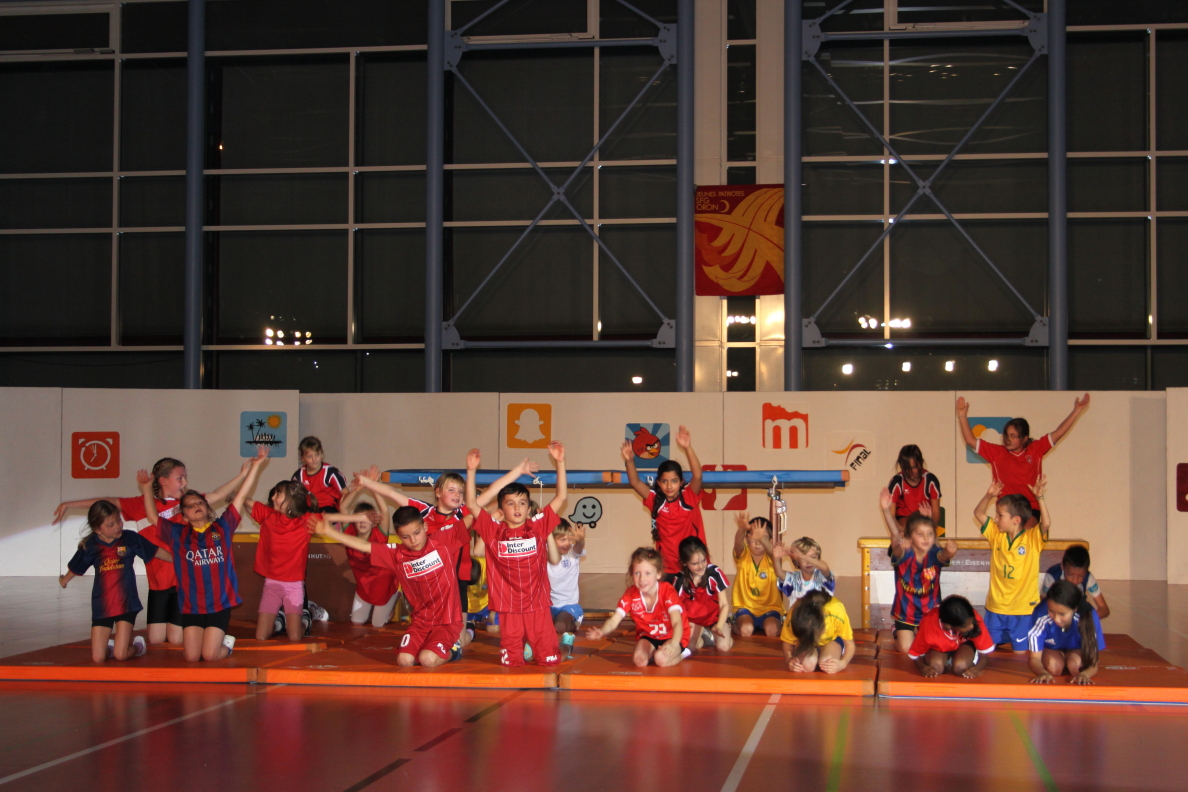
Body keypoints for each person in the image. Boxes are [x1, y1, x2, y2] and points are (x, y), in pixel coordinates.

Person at [52, 456, 253, 646]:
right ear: (163, 481)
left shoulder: (187, 505)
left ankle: (216, 640)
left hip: (181, 582)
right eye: (180, 478)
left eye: (185, 477)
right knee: (156, 639)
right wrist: (69, 504)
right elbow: (108, 501)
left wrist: (242, 475)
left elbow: (217, 494)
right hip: (157, 582)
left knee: (176, 639)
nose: (185, 482)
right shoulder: (140, 504)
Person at [143, 446, 268, 662]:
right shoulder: (178, 534)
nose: (196, 506)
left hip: (218, 604)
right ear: (184, 516)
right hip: (192, 606)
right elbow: (153, 518)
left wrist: (255, 467)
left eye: (200, 503)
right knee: (191, 657)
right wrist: (146, 488)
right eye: (190, 506)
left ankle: (225, 645)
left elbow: (240, 497)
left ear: (208, 508)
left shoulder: (223, 527)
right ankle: (210, 642)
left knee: (210, 655)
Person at [315, 505, 472, 667]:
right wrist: (329, 531)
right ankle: (431, 646)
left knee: (428, 660)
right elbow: (364, 546)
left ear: (425, 527)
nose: (413, 540)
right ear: (398, 536)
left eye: (417, 533)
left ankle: (455, 648)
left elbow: (473, 514)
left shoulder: (443, 541)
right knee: (404, 660)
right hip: (421, 622)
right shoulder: (396, 554)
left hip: (447, 622)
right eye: (405, 537)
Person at [465, 446, 567, 667]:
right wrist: (471, 470)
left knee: (549, 660)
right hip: (509, 606)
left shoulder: (537, 527)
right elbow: (472, 504)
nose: (517, 507)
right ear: (501, 510)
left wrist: (560, 462)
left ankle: (565, 646)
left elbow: (561, 496)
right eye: (510, 503)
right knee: (512, 662)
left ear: (529, 508)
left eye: (522, 503)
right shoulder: (494, 531)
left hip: (537, 604)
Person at [245, 479, 371, 641]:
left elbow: (331, 516)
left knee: (295, 637)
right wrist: (233, 495)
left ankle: (307, 617)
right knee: (261, 636)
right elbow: (247, 502)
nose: (273, 498)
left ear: (291, 500)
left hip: (293, 586)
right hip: (272, 585)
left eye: (278, 494)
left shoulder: (305, 520)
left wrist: (361, 516)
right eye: (274, 494)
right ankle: (280, 621)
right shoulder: (268, 515)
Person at [60, 494, 171, 663]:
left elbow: (155, 551)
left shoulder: (130, 538)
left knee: (121, 655)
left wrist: (178, 559)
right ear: (98, 529)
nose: (118, 526)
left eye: (119, 520)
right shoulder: (90, 545)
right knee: (98, 658)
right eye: (111, 525)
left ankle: (137, 647)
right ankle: (110, 648)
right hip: (102, 604)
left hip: (126, 603)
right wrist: (64, 580)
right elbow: (76, 567)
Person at [957, 394, 1090, 512]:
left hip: (1031, 508)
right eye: (1006, 435)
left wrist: (1077, 410)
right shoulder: (997, 452)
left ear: (1024, 438)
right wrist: (962, 414)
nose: (1008, 439)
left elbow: (1059, 433)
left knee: (1028, 529)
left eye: (1013, 436)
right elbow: (970, 440)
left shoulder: (1036, 449)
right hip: (1006, 509)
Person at [973, 475, 1050, 651]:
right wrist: (989, 495)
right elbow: (978, 513)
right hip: (996, 608)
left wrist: (1039, 498)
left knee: (1020, 654)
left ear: (1016, 520)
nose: (996, 518)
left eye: (1000, 515)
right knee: (988, 651)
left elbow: (1046, 523)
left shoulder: (1032, 539)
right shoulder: (996, 534)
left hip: (1023, 610)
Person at [621, 425, 705, 577]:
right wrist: (630, 461)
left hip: (692, 566)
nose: (669, 486)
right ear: (659, 483)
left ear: (681, 482)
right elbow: (635, 482)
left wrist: (687, 448)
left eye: (674, 481)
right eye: (665, 481)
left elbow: (698, 475)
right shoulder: (655, 500)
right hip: (667, 568)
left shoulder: (689, 497)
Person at [585, 547, 690, 667]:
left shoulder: (667, 591)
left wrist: (674, 644)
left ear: (658, 574)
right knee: (639, 661)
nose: (642, 579)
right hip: (649, 635)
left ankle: (683, 653)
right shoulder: (631, 594)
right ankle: (654, 651)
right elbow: (614, 620)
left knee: (661, 659)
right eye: (637, 573)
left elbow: (677, 623)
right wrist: (602, 631)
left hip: (673, 635)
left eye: (647, 573)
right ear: (632, 574)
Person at [879, 490, 957, 652]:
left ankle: (918, 631)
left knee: (930, 646)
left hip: (930, 612)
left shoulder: (934, 553)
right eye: (920, 534)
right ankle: (898, 632)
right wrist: (886, 510)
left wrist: (949, 552)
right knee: (906, 649)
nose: (926, 538)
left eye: (929, 534)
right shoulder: (904, 553)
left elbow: (942, 555)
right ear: (909, 537)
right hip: (905, 611)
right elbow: (895, 535)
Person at [339, 473, 398, 628]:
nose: (363, 521)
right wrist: (359, 487)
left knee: (377, 624)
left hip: (383, 585)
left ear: (374, 522)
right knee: (356, 622)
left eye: (368, 518)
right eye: (359, 518)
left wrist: (372, 485)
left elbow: (384, 510)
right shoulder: (349, 532)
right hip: (363, 587)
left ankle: (394, 596)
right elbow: (343, 507)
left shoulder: (379, 535)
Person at [1028, 579, 1104, 685]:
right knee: (1053, 667)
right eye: (1051, 611)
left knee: (1076, 667)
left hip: (1076, 649)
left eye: (1062, 614)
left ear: (1075, 609)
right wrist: (1042, 672)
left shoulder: (1088, 617)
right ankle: (1061, 661)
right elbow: (1034, 658)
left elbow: (1093, 662)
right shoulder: (1040, 615)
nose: (1056, 619)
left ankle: (1069, 661)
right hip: (1051, 649)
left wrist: (1085, 675)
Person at [907, 595, 994, 679]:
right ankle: (946, 659)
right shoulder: (929, 625)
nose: (971, 626)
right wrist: (922, 667)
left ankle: (961, 658)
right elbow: (916, 654)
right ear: (948, 626)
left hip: (964, 645)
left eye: (971, 623)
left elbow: (984, 655)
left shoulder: (972, 618)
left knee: (961, 668)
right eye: (964, 626)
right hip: (937, 648)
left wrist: (977, 669)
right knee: (935, 668)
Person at [672, 535, 732, 652]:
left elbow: (724, 604)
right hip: (693, 621)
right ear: (684, 563)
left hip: (715, 620)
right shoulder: (679, 580)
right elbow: (675, 609)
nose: (700, 566)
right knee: (690, 648)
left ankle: (722, 631)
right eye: (695, 563)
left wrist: (719, 626)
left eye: (703, 560)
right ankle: (705, 637)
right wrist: (683, 625)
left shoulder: (715, 573)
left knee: (723, 647)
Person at [730, 513, 783, 637]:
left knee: (772, 631)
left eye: (763, 538)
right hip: (745, 608)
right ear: (747, 539)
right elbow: (738, 544)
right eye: (754, 537)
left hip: (770, 608)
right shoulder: (743, 555)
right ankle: (732, 623)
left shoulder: (772, 557)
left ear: (770, 541)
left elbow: (773, 553)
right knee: (746, 630)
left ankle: (781, 622)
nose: (758, 542)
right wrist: (742, 528)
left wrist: (761, 538)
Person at [781, 590, 855, 674]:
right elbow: (787, 643)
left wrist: (843, 663)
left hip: (831, 641)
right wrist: (789, 660)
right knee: (806, 666)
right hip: (805, 642)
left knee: (827, 664)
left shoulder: (836, 610)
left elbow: (850, 644)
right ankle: (812, 655)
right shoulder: (796, 613)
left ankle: (825, 653)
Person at [887, 444, 944, 536]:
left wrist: (929, 528)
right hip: (903, 519)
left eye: (914, 467)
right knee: (908, 529)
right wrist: (899, 533)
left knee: (922, 530)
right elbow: (891, 516)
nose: (910, 472)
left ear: (921, 463)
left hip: (925, 517)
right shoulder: (896, 482)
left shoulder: (930, 481)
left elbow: (936, 512)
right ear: (901, 466)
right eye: (906, 468)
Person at [1041, 545, 1109, 619]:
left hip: (1079, 608)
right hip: (1056, 609)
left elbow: (1104, 609)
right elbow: (1043, 605)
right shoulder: (1053, 576)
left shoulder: (1088, 577)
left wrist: (1087, 620)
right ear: (1063, 566)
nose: (1075, 580)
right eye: (1070, 574)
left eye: (1081, 576)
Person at [548, 519, 586, 651]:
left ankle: (575, 621)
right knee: (538, 625)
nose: (567, 543)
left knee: (560, 626)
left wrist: (580, 540)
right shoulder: (544, 555)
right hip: (549, 605)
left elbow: (578, 547)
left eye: (570, 539)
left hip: (568, 605)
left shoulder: (572, 555)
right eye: (562, 540)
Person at [292, 436, 347, 512]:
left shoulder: (330, 473)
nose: (314, 459)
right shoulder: (298, 476)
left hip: (329, 508)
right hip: (309, 509)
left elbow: (346, 493)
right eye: (309, 456)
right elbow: (294, 498)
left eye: (317, 455)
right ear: (302, 458)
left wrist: (343, 510)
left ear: (322, 454)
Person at [774, 535, 835, 602]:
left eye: (813, 557)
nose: (808, 562)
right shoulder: (793, 578)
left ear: (818, 559)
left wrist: (802, 556)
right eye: (803, 559)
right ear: (796, 562)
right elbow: (779, 573)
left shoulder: (821, 576)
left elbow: (825, 567)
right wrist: (776, 559)